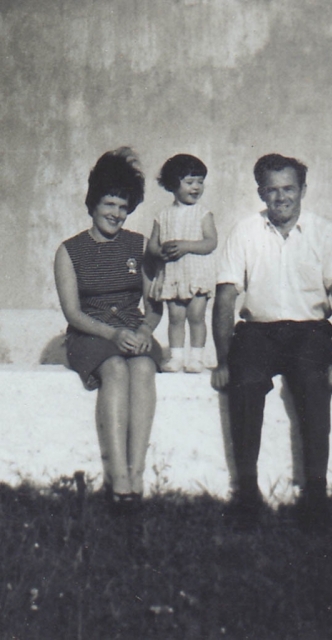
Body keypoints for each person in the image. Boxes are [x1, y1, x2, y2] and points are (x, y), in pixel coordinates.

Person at [211, 153, 332, 530]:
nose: (281, 198)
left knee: (313, 384)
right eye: (272, 190)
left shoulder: (325, 232)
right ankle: (246, 493)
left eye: (289, 188)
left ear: (303, 190)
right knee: (244, 384)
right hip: (258, 332)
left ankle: (315, 493)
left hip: (310, 332)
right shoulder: (245, 231)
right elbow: (226, 297)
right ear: (261, 192)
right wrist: (224, 359)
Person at [54, 148, 163, 514]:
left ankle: (136, 474)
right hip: (90, 334)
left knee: (144, 367)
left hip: (133, 331)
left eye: (123, 206)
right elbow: (72, 312)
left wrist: (147, 328)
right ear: (93, 203)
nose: (116, 213)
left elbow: (154, 303)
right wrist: (112, 335)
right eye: (109, 204)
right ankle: (118, 477)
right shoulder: (70, 251)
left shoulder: (139, 245)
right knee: (115, 369)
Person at [148, 154, 218, 373]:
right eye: (189, 182)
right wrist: (161, 252)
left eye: (200, 182)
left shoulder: (202, 213)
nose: (196, 187)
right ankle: (176, 357)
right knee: (176, 317)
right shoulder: (163, 215)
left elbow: (210, 242)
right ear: (173, 184)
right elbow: (151, 246)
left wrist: (186, 246)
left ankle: (196, 357)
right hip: (173, 274)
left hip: (196, 275)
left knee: (196, 316)